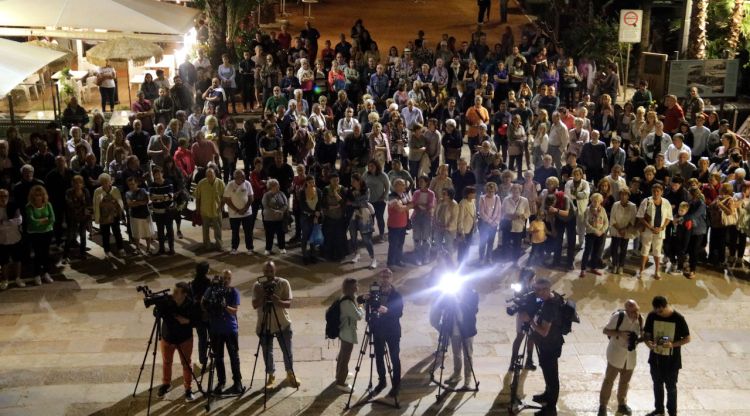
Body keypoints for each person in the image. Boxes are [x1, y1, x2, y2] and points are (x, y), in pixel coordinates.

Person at [252, 261, 299, 388]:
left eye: (271, 271)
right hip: (264, 324)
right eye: (266, 272)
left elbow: (288, 303)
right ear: (262, 272)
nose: (268, 274)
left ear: (275, 271)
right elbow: (254, 304)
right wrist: (264, 295)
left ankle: (290, 373)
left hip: (282, 323)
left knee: (287, 350)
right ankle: (271, 375)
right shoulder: (257, 285)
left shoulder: (283, 283)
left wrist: (275, 299)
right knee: (267, 352)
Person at [643, 296, 691, 416]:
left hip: (672, 360)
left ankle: (672, 412)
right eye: (656, 311)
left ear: (666, 306)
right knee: (657, 385)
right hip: (656, 358)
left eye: (660, 311)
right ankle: (659, 409)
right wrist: (648, 343)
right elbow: (647, 334)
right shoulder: (652, 315)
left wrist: (672, 344)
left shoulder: (678, 318)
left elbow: (687, 338)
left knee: (671, 387)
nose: (658, 313)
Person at [156, 282, 200, 401]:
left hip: (184, 339)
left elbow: (198, 321)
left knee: (186, 364)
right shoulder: (167, 301)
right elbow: (156, 314)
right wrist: (157, 308)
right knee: (166, 362)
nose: (173, 294)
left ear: (184, 294)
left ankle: (188, 389)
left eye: (176, 292)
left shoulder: (192, 305)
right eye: (174, 291)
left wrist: (187, 321)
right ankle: (166, 384)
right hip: (167, 338)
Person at [598, 300, 643, 416]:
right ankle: (603, 406)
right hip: (616, 355)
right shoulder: (619, 317)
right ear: (627, 310)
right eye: (633, 311)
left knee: (625, 382)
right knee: (609, 381)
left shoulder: (640, 319)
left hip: (630, 357)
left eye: (637, 310)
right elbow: (605, 330)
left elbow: (640, 336)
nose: (635, 313)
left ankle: (622, 404)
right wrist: (620, 334)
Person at [203, 269, 245, 395]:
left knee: (234, 357)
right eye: (224, 278)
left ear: (230, 279)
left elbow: (234, 311)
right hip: (215, 330)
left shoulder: (233, 291)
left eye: (228, 278)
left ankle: (237, 382)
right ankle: (221, 382)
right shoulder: (211, 290)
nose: (226, 280)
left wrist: (224, 305)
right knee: (218, 358)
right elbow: (203, 305)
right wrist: (211, 303)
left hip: (230, 329)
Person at [364, 268, 403, 397]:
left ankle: (396, 384)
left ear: (391, 278)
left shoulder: (396, 295)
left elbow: (399, 313)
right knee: (379, 357)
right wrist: (365, 300)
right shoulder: (374, 292)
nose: (385, 279)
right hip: (378, 329)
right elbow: (365, 305)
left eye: (387, 277)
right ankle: (382, 381)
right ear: (380, 278)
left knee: (394, 358)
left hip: (392, 330)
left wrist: (387, 310)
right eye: (383, 277)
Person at [529, 278, 564, 415]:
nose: (536, 293)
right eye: (535, 289)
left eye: (538, 290)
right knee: (547, 372)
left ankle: (550, 408)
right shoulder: (555, 296)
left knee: (552, 377)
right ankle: (547, 395)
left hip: (550, 345)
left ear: (547, 289)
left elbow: (543, 332)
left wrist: (530, 320)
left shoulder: (550, 307)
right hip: (551, 343)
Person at [637, 183, 673, 279]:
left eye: (658, 191)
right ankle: (641, 271)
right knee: (645, 250)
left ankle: (657, 271)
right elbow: (640, 216)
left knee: (657, 251)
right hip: (648, 230)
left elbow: (669, 217)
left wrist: (662, 227)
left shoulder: (666, 202)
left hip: (659, 231)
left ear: (662, 192)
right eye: (654, 191)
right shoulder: (646, 201)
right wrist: (650, 227)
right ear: (651, 191)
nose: (656, 193)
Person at [335, 277, 364, 392]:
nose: (357, 288)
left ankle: (341, 374)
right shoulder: (347, 302)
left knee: (342, 354)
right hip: (347, 332)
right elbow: (358, 316)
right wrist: (361, 307)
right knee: (345, 356)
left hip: (344, 330)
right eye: (355, 286)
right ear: (351, 288)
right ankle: (341, 382)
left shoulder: (346, 297)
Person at [25, 185, 55, 286]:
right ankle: (37, 275)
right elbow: (31, 222)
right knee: (38, 254)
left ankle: (46, 273)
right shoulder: (29, 207)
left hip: (47, 232)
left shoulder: (48, 205)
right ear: (33, 196)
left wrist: (39, 222)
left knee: (46, 253)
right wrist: (43, 220)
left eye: (40, 195)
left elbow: (52, 219)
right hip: (35, 234)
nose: (39, 197)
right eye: (36, 195)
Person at [194, 166, 225, 251]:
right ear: (206, 176)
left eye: (211, 175)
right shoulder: (201, 183)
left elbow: (224, 197)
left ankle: (219, 245)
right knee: (205, 229)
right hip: (204, 210)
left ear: (215, 174)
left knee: (218, 229)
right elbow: (198, 197)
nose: (210, 177)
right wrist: (197, 209)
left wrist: (221, 207)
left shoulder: (220, 183)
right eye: (208, 175)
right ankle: (206, 245)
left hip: (217, 210)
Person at [223, 169, 254, 255]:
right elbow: (226, 199)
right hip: (234, 214)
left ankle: (250, 248)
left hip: (247, 213)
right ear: (235, 177)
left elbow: (251, 198)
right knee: (235, 232)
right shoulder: (230, 185)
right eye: (241, 177)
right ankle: (234, 248)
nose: (243, 178)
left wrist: (244, 209)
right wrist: (236, 210)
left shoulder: (247, 184)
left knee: (248, 231)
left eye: (243, 176)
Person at [93, 173, 124, 258]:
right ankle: (107, 251)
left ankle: (121, 248)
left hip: (114, 216)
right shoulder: (97, 191)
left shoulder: (115, 189)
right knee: (105, 234)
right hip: (103, 217)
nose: (105, 184)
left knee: (117, 232)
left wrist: (120, 212)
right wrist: (97, 218)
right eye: (103, 182)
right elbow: (96, 205)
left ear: (110, 182)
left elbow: (120, 202)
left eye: (106, 182)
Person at [580, 193, 608, 277]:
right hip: (590, 234)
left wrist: (602, 231)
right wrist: (595, 230)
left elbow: (606, 222)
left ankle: (593, 267)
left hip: (600, 234)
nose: (596, 203)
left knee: (596, 252)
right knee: (587, 251)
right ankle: (583, 269)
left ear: (600, 202)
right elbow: (585, 222)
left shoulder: (602, 210)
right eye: (594, 201)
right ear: (591, 201)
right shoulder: (588, 210)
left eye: (598, 201)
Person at [0, 188, 23, 289]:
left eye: (5, 196)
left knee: (17, 259)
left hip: (15, 237)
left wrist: (3, 223)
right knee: (3, 261)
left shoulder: (14, 206)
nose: (3, 198)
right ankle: (5, 280)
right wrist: (10, 222)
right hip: (2, 240)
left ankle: (18, 278)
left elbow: (18, 221)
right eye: (1, 196)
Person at [261, 178, 288, 256]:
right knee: (269, 234)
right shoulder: (266, 195)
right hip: (269, 219)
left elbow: (285, 204)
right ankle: (268, 249)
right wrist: (275, 211)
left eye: (278, 185)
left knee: (281, 233)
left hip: (280, 218)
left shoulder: (281, 193)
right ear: (271, 186)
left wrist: (281, 211)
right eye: (276, 185)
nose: (278, 187)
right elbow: (265, 206)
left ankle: (282, 247)